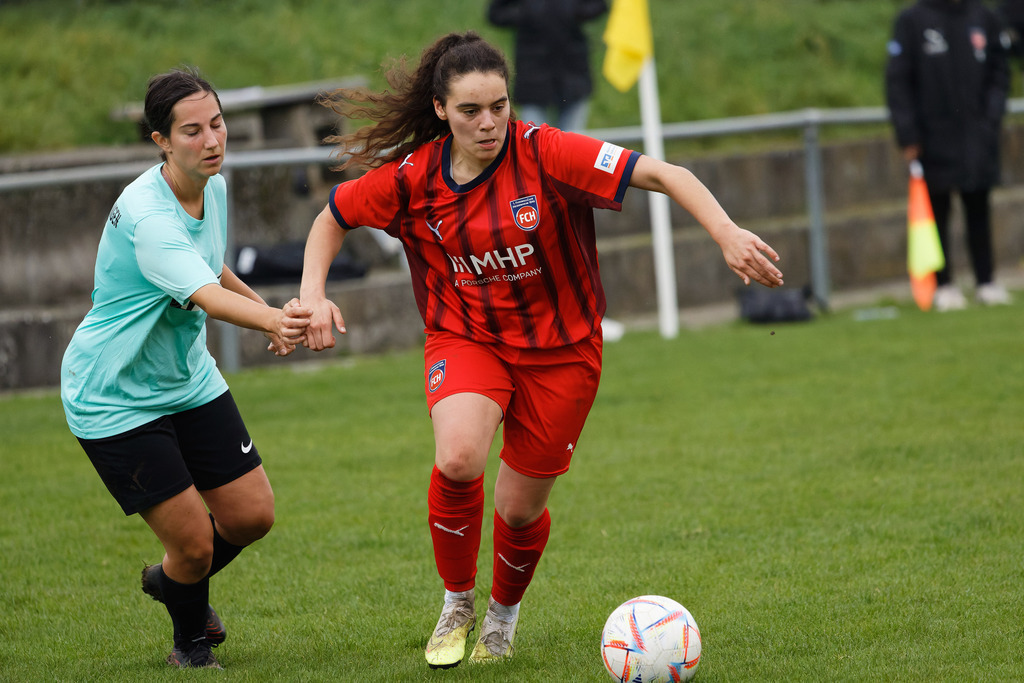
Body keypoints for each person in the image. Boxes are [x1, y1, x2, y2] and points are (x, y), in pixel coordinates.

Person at [300, 31, 783, 669]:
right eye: (470, 111)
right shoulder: (414, 179)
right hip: (466, 336)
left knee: (518, 509)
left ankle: (502, 616)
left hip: (564, 351)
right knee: (460, 457)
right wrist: (312, 294)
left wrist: (725, 232)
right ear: (441, 112)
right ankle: (457, 602)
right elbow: (332, 216)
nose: (489, 122)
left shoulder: (546, 152)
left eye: (499, 106)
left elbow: (665, 172)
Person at [60, 66, 311, 669]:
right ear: (161, 141)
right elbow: (201, 293)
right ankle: (190, 650)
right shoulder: (148, 216)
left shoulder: (212, 186)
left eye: (218, 124)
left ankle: (172, 582)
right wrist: (273, 322)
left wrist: (264, 309)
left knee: (251, 516)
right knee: (195, 544)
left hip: (186, 378)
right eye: (192, 131)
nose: (212, 140)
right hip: (114, 396)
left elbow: (212, 268)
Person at [885, 0, 1013, 311]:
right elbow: (898, 81)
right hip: (932, 138)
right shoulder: (912, 21)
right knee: (936, 212)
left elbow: (1000, 71)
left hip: (977, 136)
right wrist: (908, 134)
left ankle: (986, 281)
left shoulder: (983, 17)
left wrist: (990, 118)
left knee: (979, 207)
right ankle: (944, 286)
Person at [487, 0, 608, 132]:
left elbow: (599, 5)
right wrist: (526, 14)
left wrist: (573, 12)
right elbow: (495, 13)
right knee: (535, 139)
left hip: (572, 69)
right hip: (532, 72)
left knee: (571, 141)